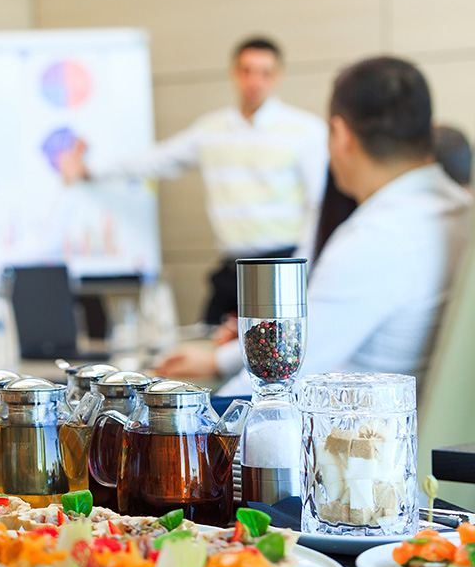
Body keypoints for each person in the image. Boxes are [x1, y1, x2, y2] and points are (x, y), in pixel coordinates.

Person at [166, 57, 471, 392]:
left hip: (357, 433)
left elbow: (278, 378)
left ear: (340, 135)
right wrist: (222, 359)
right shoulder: (460, 211)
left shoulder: (375, 237)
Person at [67, 36, 329, 324]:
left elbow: (319, 203)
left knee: (271, 360)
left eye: (265, 72)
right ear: (234, 72)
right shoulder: (211, 131)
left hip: (281, 267)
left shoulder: (306, 131)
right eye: (247, 70)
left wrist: (301, 271)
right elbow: (158, 159)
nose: (255, 80)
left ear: (277, 76)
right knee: (208, 351)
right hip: (232, 269)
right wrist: (91, 171)